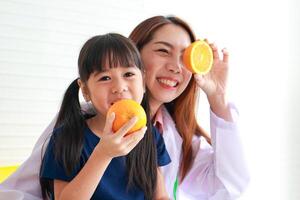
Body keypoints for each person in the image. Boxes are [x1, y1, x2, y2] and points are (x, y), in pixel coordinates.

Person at [0, 15, 249, 200]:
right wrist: (102, 154)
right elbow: (22, 192)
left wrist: (218, 98)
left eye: (184, 57)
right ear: (136, 53)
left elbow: (227, 189)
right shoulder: (72, 129)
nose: (176, 66)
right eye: (163, 51)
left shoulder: (163, 135)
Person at [39, 33, 170, 200]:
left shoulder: (149, 134)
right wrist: (103, 154)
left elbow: (160, 196)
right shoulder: (67, 138)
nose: (119, 87)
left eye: (128, 74)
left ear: (143, 81)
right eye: (105, 78)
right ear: (85, 90)